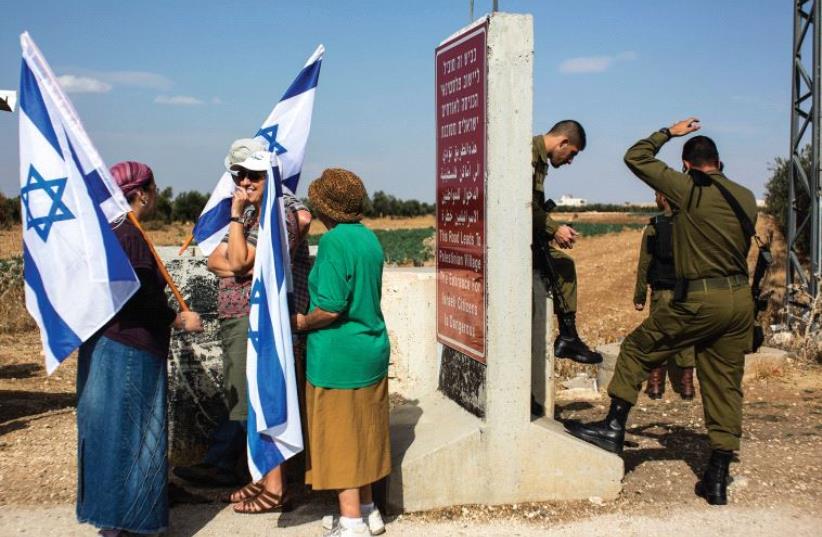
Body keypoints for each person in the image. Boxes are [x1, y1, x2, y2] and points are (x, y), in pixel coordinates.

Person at [565, 118, 757, 506]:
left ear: (687, 165)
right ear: (719, 163)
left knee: (637, 348)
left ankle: (613, 427)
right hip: (740, 302)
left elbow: (635, 157)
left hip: (700, 298)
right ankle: (717, 475)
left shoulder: (688, 190)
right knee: (723, 381)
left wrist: (668, 133)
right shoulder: (746, 196)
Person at [76, 161, 203, 537]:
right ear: (141, 192)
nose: (159, 193)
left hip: (104, 342)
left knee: (108, 430)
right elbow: (137, 298)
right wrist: (177, 320)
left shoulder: (108, 232)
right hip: (131, 348)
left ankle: (111, 520)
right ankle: (135, 523)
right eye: (155, 186)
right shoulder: (130, 236)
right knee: (135, 433)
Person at [295, 168, 390, 537]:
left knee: (340, 437)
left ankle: (350, 523)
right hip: (370, 347)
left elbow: (332, 307)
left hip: (339, 356)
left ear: (325, 208)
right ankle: (368, 511)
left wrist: (302, 323)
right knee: (363, 433)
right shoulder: (368, 238)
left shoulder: (334, 242)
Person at [532, 120, 602, 365]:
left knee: (562, 264)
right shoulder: (528, 155)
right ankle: (569, 338)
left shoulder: (539, 158)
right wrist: (554, 228)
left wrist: (552, 231)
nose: (570, 160)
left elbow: (534, 207)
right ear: (562, 142)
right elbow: (521, 204)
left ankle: (569, 336)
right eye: (571, 153)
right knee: (562, 266)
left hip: (531, 234)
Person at [634, 192, 696, 400]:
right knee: (685, 334)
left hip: (661, 292)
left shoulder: (654, 226)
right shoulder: (689, 224)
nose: (654, 199)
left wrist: (640, 296)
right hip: (686, 290)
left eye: (655, 195)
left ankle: (655, 386)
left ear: (663, 197)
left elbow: (645, 264)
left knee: (658, 335)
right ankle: (687, 387)